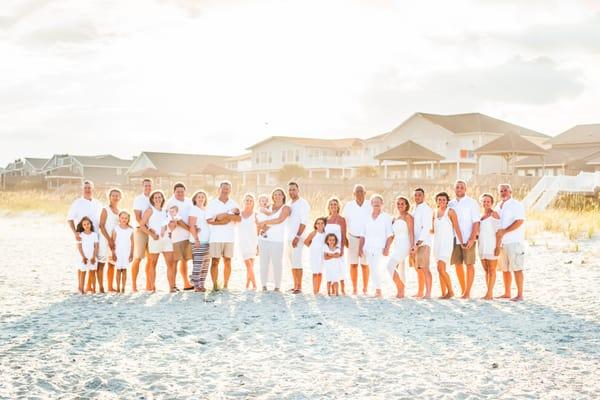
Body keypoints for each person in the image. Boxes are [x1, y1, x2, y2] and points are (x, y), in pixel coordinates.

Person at [67, 180, 102, 292]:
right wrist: (75, 233)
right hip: (82, 236)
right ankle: (80, 286)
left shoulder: (98, 203)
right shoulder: (77, 202)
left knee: (92, 259)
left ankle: (89, 286)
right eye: (85, 188)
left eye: (89, 188)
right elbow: (70, 219)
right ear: (82, 189)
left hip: (95, 235)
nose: (87, 190)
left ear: (93, 189)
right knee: (82, 260)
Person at [206, 181, 241, 291]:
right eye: (223, 188)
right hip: (215, 237)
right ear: (219, 190)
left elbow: (239, 219)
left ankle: (226, 285)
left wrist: (225, 215)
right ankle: (215, 285)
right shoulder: (212, 203)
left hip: (229, 237)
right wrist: (224, 222)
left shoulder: (234, 204)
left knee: (228, 261)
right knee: (215, 261)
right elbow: (209, 220)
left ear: (230, 190)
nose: (225, 190)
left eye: (227, 189)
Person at [449, 180, 480, 299]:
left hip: (468, 238)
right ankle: (463, 290)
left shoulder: (472, 203)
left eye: (462, 187)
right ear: (454, 189)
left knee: (469, 264)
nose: (459, 189)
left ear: (465, 189)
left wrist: (472, 238)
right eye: (457, 187)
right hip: (454, 238)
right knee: (457, 264)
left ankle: (468, 292)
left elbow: (476, 221)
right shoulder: (450, 204)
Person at [140, 190, 176, 292]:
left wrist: (170, 227)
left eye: (159, 197)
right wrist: (151, 234)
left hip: (166, 240)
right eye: (155, 197)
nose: (157, 199)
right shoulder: (150, 210)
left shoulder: (166, 211)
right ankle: (152, 287)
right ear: (152, 199)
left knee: (170, 263)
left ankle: (171, 287)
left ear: (162, 199)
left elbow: (170, 225)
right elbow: (142, 225)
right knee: (153, 263)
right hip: (154, 240)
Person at [359, 194, 393, 298]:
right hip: (368, 247)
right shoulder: (366, 218)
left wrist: (387, 248)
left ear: (382, 204)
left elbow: (390, 235)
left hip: (380, 247)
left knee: (378, 268)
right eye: (374, 202)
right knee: (372, 268)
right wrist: (360, 248)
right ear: (371, 204)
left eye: (378, 202)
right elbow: (362, 234)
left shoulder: (386, 217)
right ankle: (377, 289)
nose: (376, 204)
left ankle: (379, 290)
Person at [496, 183, 526, 301]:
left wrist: (505, 231)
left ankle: (520, 294)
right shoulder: (499, 206)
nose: (503, 193)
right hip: (502, 243)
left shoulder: (516, 205)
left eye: (505, 190)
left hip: (514, 242)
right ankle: (507, 293)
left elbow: (520, 221)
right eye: (501, 191)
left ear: (511, 191)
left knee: (517, 268)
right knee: (505, 269)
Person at [256, 188, 290, 291]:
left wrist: (265, 223)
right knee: (263, 262)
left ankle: (277, 286)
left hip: (277, 240)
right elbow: (259, 221)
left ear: (283, 196)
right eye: (275, 194)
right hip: (263, 239)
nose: (277, 196)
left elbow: (279, 220)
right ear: (272, 197)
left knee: (277, 263)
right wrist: (261, 228)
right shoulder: (268, 207)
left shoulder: (286, 208)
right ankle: (263, 285)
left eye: (279, 194)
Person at [432, 192, 463, 299]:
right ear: (436, 201)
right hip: (436, 243)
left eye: (443, 200)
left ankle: (450, 291)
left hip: (446, 243)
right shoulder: (434, 213)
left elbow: (457, 228)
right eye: (439, 199)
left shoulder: (450, 212)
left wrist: (462, 241)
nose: (441, 202)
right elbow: (432, 230)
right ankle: (443, 292)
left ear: (447, 201)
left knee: (441, 268)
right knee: (439, 269)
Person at [342, 184, 372, 295]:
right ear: (353, 194)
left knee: (365, 264)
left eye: (361, 191)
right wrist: (344, 237)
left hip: (367, 239)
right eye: (357, 192)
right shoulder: (349, 205)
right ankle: (354, 288)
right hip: (352, 237)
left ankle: (365, 288)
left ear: (365, 193)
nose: (359, 193)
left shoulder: (370, 204)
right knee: (353, 264)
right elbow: (344, 222)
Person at [165, 182, 194, 291]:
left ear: (185, 191)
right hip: (176, 236)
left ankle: (186, 283)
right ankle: (172, 285)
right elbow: (177, 219)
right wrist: (190, 229)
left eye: (182, 191)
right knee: (175, 261)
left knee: (185, 260)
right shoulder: (171, 202)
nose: (180, 193)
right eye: (178, 192)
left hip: (187, 236)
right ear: (174, 192)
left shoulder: (188, 201)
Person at [385, 196, 414, 298]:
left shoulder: (408, 217)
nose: (400, 205)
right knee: (398, 268)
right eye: (398, 204)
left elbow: (411, 232)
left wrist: (412, 247)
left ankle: (401, 287)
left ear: (406, 205)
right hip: (396, 245)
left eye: (402, 204)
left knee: (389, 266)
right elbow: (392, 235)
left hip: (405, 245)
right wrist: (387, 247)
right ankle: (401, 292)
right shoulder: (395, 218)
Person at [286, 182, 310, 294]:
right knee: (292, 262)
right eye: (290, 190)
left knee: (297, 261)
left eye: (294, 189)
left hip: (298, 238)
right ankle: (295, 284)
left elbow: (304, 222)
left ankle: (299, 286)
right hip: (288, 237)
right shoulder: (289, 203)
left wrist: (297, 236)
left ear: (298, 190)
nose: (292, 192)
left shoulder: (303, 203)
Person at [411, 188, 433, 299]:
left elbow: (427, 227)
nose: (417, 197)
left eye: (419, 195)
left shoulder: (426, 209)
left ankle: (428, 293)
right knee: (418, 269)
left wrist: (418, 243)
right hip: (415, 243)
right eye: (415, 195)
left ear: (424, 196)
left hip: (423, 243)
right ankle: (420, 292)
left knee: (425, 268)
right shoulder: (415, 209)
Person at [98, 188, 121, 293]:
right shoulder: (105, 209)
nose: (115, 197)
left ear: (120, 198)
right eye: (113, 195)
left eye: (117, 196)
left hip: (115, 240)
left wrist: (115, 240)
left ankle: (110, 287)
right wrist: (109, 239)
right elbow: (101, 226)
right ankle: (101, 287)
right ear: (109, 197)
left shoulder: (119, 212)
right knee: (102, 263)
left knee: (112, 263)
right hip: (104, 239)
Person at [132, 178, 152, 292]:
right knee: (138, 258)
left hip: (152, 231)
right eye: (146, 186)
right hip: (141, 230)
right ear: (142, 186)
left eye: (149, 185)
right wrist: (145, 229)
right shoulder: (138, 199)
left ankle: (148, 285)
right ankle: (134, 285)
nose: (148, 187)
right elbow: (137, 217)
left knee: (150, 259)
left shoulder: (154, 198)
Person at [478, 193, 500, 300]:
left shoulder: (494, 215)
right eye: (484, 201)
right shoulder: (480, 216)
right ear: (481, 203)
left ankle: (490, 293)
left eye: (488, 201)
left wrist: (498, 247)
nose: (486, 203)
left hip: (492, 246)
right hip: (482, 246)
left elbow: (499, 232)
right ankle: (488, 291)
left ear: (491, 203)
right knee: (486, 270)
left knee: (492, 270)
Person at [189, 190, 211, 292]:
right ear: (195, 199)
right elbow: (191, 225)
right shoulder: (194, 209)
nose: (201, 198)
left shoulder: (206, 209)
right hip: (198, 240)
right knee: (198, 263)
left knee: (205, 264)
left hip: (208, 240)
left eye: (203, 197)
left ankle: (201, 284)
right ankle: (196, 285)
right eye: (199, 197)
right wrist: (196, 239)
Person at [324, 197, 347, 295]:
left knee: (340, 268)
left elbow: (343, 235)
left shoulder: (341, 219)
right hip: (328, 247)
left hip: (337, 247)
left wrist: (341, 249)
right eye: (331, 204)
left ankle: (342, 289)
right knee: (330, 267)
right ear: (328, 207)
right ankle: (332, 288)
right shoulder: (326, 219)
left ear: (338, 207)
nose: (333, 206)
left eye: (335, 204)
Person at [238, 193, 258, 290]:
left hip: (253, 241)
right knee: (248, 264)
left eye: (250, 200)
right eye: (247, 200)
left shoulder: (256, 214)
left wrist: (258, 244)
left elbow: (259, 228)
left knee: (251, 265)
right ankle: (254, 285)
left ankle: (247, 284)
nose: (248, 202)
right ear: (243, 201)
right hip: (243, 242)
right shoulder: (239, 214)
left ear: (253, 203)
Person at [111, 211, 134, 293]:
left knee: (124, 270)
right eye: (122, 218)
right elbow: (113, 242)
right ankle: (117, 287)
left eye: (126, 218)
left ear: (128, 219)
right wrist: (113, 253)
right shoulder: (116, 228)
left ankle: (123, 287)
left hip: (126, 252)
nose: (124, 219)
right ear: (119, 219)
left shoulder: (131, 229)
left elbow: (132, 243)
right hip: (118, 252)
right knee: (118, 270)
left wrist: (131, 253)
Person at [75, 216, 99, 294]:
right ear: (82, 226)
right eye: (84, 224)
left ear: (90, 224)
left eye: (88, 224)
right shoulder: (80, 235)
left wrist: (94, 256)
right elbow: (79, 246)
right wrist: (83, 257)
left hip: (92, 256)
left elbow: (96, 246)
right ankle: (81, 289)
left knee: (92, 272)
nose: (86, 226)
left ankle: (94, 289)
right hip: (83, 257)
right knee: (83, 272)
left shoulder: (94, 235)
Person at [304, 217, 327, 295]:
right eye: (318, 223)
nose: (320, 225)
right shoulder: (314, 233)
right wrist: (313, 247)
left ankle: (318, 289)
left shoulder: (326, 233)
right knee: (315, 272)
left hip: (322, 254)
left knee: (320, 272)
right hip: (314, 255)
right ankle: (314, 290)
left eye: (322, 223)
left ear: (324, 225)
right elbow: (306, 242)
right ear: (315, 225)